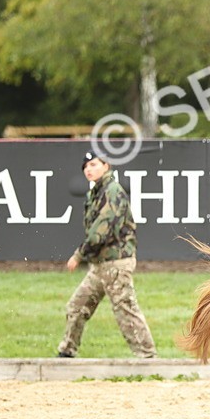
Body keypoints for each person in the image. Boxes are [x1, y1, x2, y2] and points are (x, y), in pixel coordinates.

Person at [57, 151, 156, 358]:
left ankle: (148, 358)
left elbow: (100, 232)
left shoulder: (112, 191)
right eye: (85, 166)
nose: (88, 169)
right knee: (76, 307)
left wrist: (78, 255)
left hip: (116, 263)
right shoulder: (98, 192)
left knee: (125, 310)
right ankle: (66, 352)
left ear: (106, 166)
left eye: (93, 164)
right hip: (101, 265)